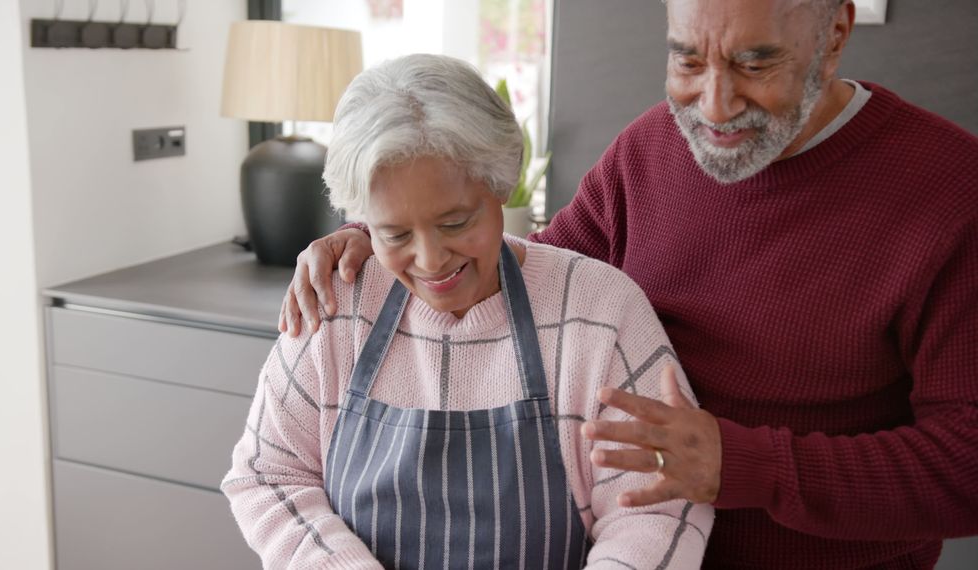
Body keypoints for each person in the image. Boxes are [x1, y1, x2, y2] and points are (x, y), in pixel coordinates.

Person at [279, 1, 978, 568]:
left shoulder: (950, 191)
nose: (715, 104)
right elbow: (534, 271)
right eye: (687, 59)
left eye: (754, 62)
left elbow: (967, 463)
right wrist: (387, 238)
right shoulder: (651, 149)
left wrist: (747, 464)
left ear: (834, 36)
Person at [222, 54, 714, 569]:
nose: (432, 260)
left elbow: (660, 509)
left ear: (500, 185)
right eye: (395, 234)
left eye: (456, 223)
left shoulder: (601, 313)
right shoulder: (337, 302)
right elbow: (268, 473)